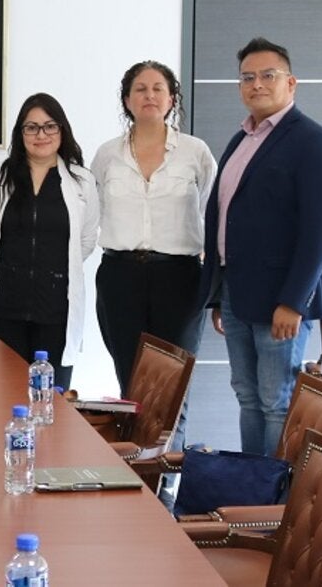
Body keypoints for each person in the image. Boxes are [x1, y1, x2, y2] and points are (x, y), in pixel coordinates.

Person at [200, 37, 322, 456]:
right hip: (236, 295)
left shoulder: (314, 142)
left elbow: (321, 232)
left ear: (291, 83)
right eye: (247, 77)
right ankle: (252, 487)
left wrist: (294, 302)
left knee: (276, 403)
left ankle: (272, 503)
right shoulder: (241, 139)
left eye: (268, 75)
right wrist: (217, 295)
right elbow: (224, 216)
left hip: (281, 301)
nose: (256, 84)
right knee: (247, 398)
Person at [92, 62, 216, 395]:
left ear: (172, 98)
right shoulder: (107, 155)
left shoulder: (195, 152)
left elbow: (213, 212)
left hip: (180, 277)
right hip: (120, 276)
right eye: (141, 89)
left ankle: (172, 449)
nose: (149, 95)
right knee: (131, 382)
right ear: (127, 101)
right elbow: (93, 211)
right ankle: (135, 448)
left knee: (173, 382)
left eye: (158, 88)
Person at [0, 93, 99, 389]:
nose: (41, 134)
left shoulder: (81, 181)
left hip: (56, 310)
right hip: (5, 308)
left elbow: (87, 239)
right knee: (0, 398)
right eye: (32, 127)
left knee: (51, 402)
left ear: (62, 131)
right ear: (20, 133)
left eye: (49, 126)